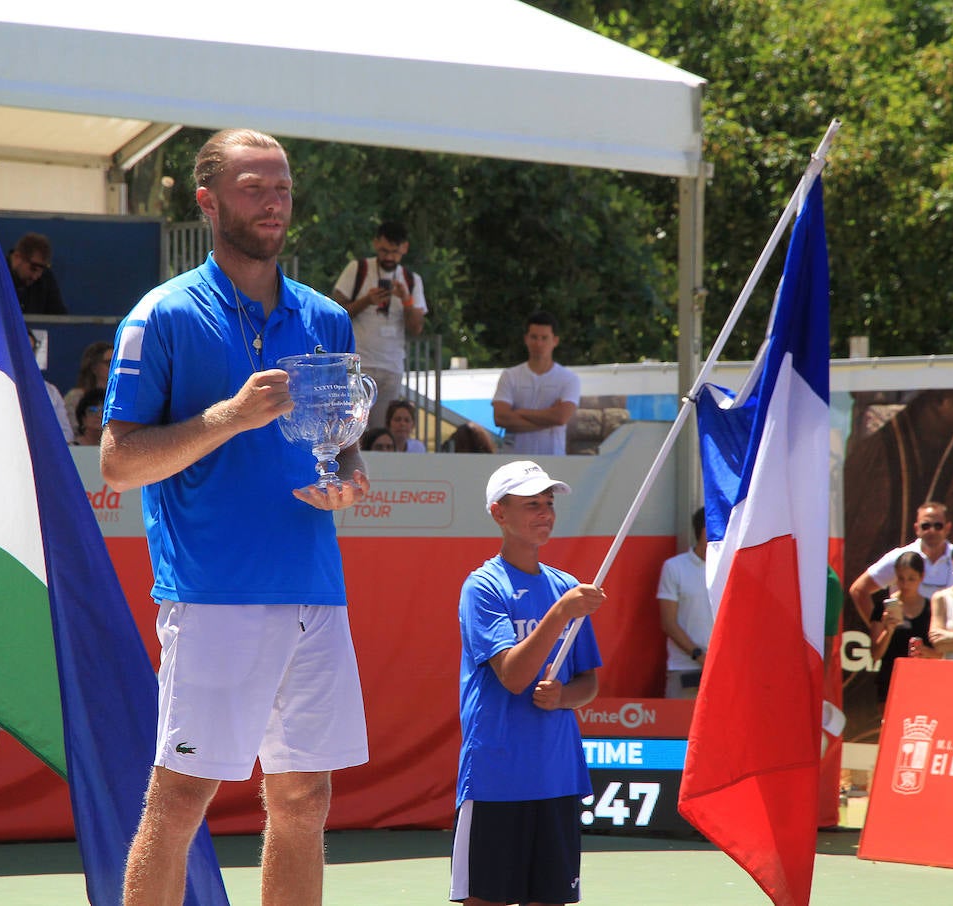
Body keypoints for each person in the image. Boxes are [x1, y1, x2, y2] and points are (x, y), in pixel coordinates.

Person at [101, 128, 369, 906]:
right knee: (181, 798)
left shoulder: (326, 319)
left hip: (315, 591)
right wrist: (227, 417)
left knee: (304, 800)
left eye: (282, 186)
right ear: (208, 201)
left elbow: (342, 447)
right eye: (255, 187)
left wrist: (350, 479)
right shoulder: (163, 315)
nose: (274, 202)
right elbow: (118, 464)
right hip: (214, 592)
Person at [452, 460, 604, 906]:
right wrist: (560, 613)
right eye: (531, 504)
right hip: (497, 776)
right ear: (499, 514)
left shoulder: (567, 586)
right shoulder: (482, 587)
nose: (545, 513)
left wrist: (563, 699)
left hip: (558, 775)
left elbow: (588, 683)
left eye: (549, 503)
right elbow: (515, 678)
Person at [331, 221, 428, 429]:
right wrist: (366, 300)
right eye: (384, 250)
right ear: (375, 244)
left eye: (395, 252)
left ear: (404, 248)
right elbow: (335, 314)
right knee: (353, 430)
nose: (389, 257)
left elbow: (417, 327)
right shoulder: (358, 269)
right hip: (358, 365)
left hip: (391, 367)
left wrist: (407, 300)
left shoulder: (412, 280)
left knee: (382, 432)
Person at [848, 500, 953, 610]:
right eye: (926, 526)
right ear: (917, 528)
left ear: (948, 528)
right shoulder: (900, 557)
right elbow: (859, 590)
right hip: (907, 645)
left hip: (949, 643)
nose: (932, 530)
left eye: (938, 526)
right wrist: (879, 629)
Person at [492, 311, 581, 456]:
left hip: (553, 459)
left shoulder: (569, 379)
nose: (538, 344)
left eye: (544, 338)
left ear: (555, 341)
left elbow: (561, 417)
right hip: (514, 460)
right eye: (534, 337)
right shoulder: (510, 375)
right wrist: (548, 419)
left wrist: (520, 412)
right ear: (526, 339)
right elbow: (501, 417)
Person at [868, 551, 940, 703]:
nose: (905, 584)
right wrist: (888, 631)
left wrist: (925, 652)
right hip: (890, 682)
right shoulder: (883, 608)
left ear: (921, 577)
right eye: (901, 578)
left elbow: (943, 655)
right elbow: (875, 655)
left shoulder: (932, 609)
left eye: (911, 579)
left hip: (924, 684)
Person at [656, 506, 712, 700]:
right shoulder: (675, 567)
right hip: (684, 669)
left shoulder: (730, 567)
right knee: (678, 730)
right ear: (705, 530)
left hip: (723, 669)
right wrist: (700, 656)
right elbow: (668, 623)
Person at [28, 330, 74, 444]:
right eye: (20, 349)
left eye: (31, 350)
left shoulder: (50, 391)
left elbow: (66, 434)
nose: (25, 355)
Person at [8, 232, 67, 315]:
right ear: (17, 257)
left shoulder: (46, 278)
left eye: (41, 270)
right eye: (33, 269)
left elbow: (59, 319)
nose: (36, 277)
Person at [63, 341, 113, 431]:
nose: (114, 367)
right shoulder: (76, 397)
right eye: (109, 363)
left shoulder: (124, 397)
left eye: (117, 363)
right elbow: (71, 430)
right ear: (94, 367)